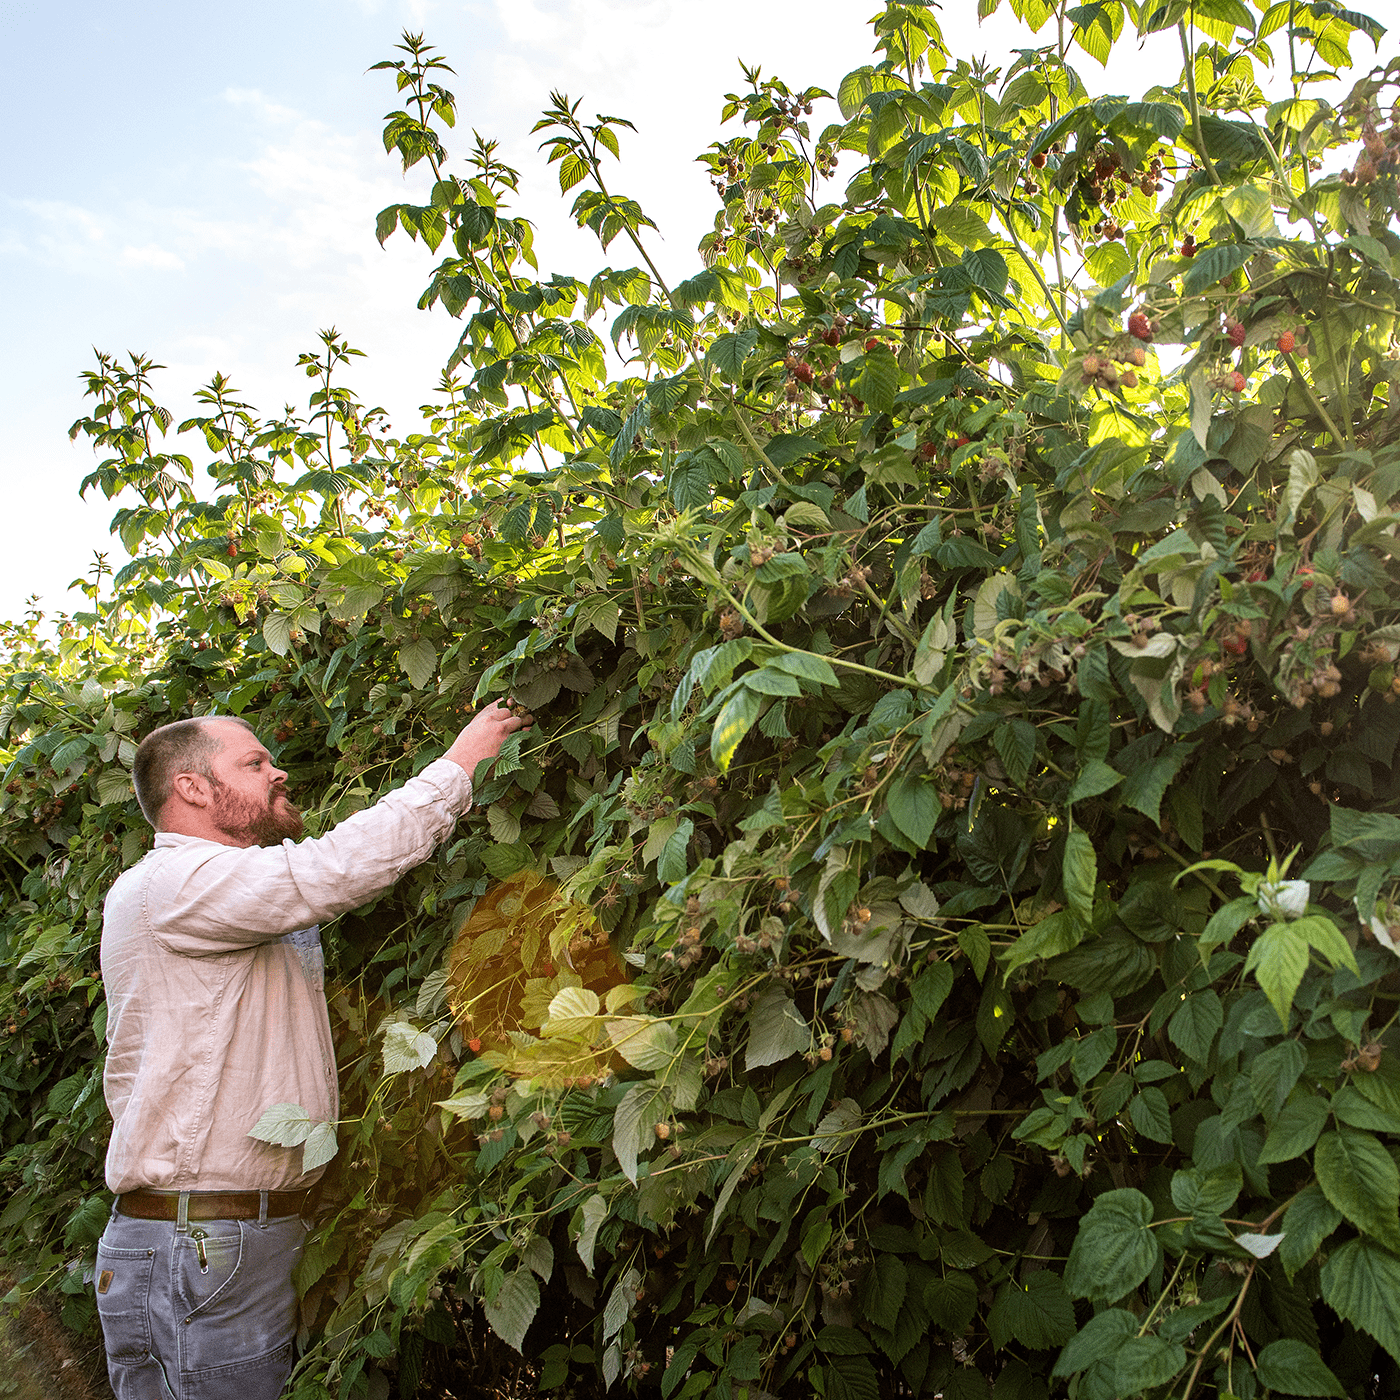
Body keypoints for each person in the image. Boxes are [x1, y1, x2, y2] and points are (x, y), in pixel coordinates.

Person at [93, 699, 530, 1400]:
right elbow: (330, 871)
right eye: (254, 762)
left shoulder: (221, 892)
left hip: (216, 1242)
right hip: (200, 1245)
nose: (279, 770)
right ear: (194, 788)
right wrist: (462, 764)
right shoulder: (172, 884)